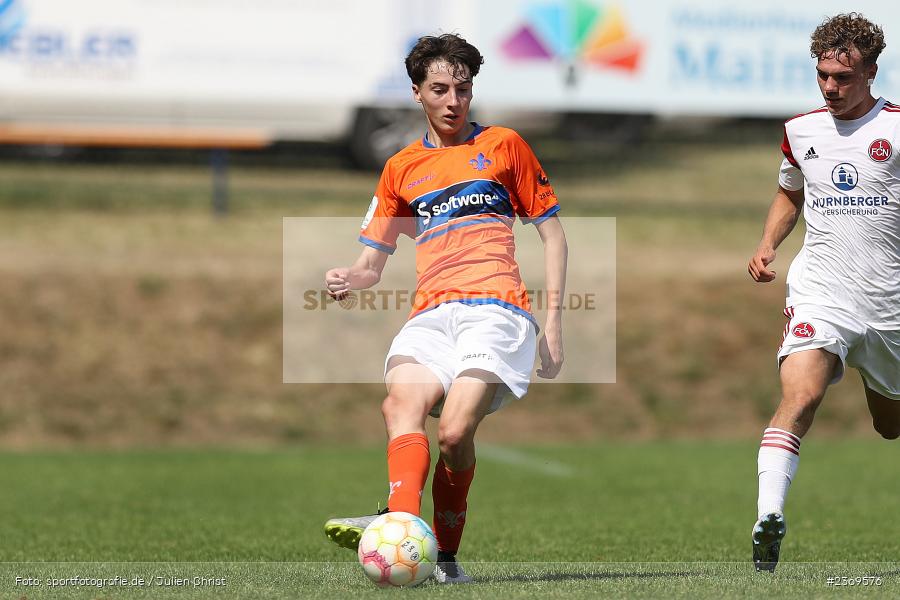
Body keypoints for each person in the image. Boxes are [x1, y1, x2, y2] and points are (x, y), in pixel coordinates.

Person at [321, 33, 568, 584]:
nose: (454, 100)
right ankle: (404, 526)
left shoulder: (505, 145)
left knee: (455, 434)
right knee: (399, 406)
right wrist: (351, 277)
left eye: (463, 88)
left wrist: (552, 323)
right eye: (440, 89)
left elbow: (554, 236)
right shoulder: (400, 168)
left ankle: (444, 555)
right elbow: (373, 261)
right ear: (416, 93)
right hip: (432, 315)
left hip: (497, 311)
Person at [747, 12, 899, 573]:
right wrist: (768, 244)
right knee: (800, 397)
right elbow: (790, 192)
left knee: (890, 426)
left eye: (844, 77)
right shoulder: (802, 130)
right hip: (822, 292)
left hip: (890, 305)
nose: (831, 88)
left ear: (871, 72)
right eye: (823, 76)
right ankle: (768, 518)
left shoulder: (898, 129)